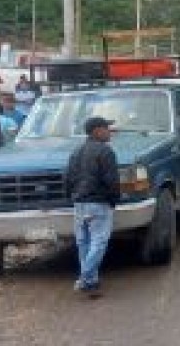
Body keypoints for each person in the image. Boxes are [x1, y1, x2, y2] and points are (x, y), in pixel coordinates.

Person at [65, 117, 120, 297]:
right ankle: (85, 277)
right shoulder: (105, 151)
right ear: (96, 131)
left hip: (79, 203)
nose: (110, 132)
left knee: (84, 242)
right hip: (98, 203)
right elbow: (111, 180)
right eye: (106, 128)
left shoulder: (76, 151)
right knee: (99, 241)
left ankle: (91, 281)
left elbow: (68, 178)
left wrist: (72, 197)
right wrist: (114, 199)